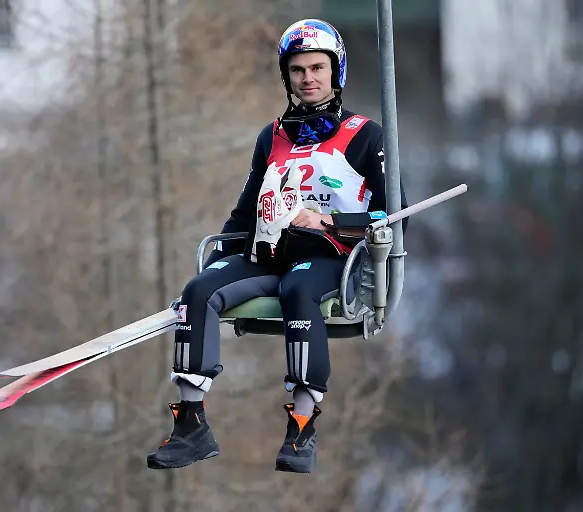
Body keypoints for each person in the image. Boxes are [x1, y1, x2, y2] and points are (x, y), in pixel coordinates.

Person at [146, 18, 408, 473]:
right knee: (198, 291)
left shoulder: (368, 136)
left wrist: (326, 219)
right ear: (286, 76)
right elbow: (245, 213)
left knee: (297, 290)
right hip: (269, 253)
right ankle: (190, 428)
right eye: (298, 70)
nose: (307, 78)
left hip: (333, 259)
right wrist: (217, 265)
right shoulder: (272, 137)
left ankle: (302, 430)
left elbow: (395, 217)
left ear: (335, 72)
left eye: (317, 68)